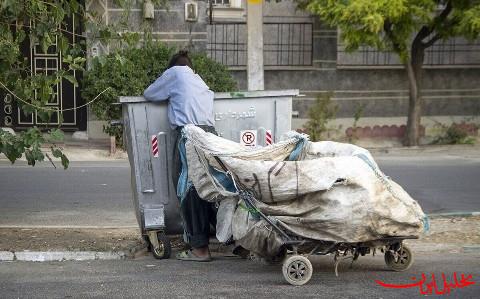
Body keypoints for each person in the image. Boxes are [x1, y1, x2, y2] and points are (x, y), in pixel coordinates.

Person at [144, 50, 216, 262]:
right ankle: (234, 240)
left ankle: (199, 249)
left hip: (190, 135)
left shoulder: (176, 72)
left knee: (188, 188)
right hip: (210, 136)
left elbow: (150, 93)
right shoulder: (198, 79)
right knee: (211, 188)